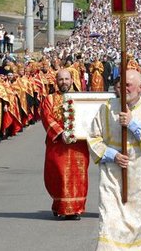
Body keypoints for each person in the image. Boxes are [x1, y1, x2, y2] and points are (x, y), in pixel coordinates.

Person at [88, 69, 141, 249]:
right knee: (110, 225)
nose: (123, 89)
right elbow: (93, 138)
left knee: (140, 231)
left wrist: (132, 124)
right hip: (112, 181)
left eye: (128, 85)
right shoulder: (107, 107)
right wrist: (112, 155)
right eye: (121, 85)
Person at [40, 69, 90, 220]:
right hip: (58, 144)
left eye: (67, 79)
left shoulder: (80, 98)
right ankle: (59, 206)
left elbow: (86, 116)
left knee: (78, 175)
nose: (64, 82)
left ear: (71, 80)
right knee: (59, 175)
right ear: (56, 81)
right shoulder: (49, 99)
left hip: (78, 145)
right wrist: (61, 132)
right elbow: (46, 117)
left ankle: (76, 209)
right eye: (61, 79)